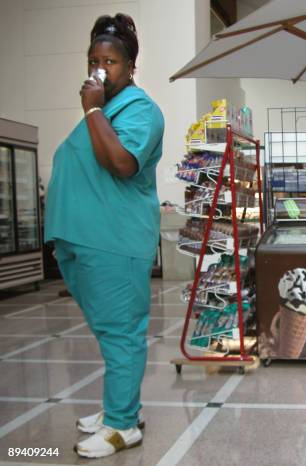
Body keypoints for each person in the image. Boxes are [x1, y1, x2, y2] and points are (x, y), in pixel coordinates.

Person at [44, 13, 164, 458]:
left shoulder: (139, 109)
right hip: (85, 241)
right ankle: (120, 407)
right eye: (93, 59)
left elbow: (121, 163)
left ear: (130, 66)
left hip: (114, 241)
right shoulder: (109, 108)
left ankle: (122, 426)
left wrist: (92, 109)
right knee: (109, 333)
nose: (99, 69)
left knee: (120, 334)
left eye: (110, 61)